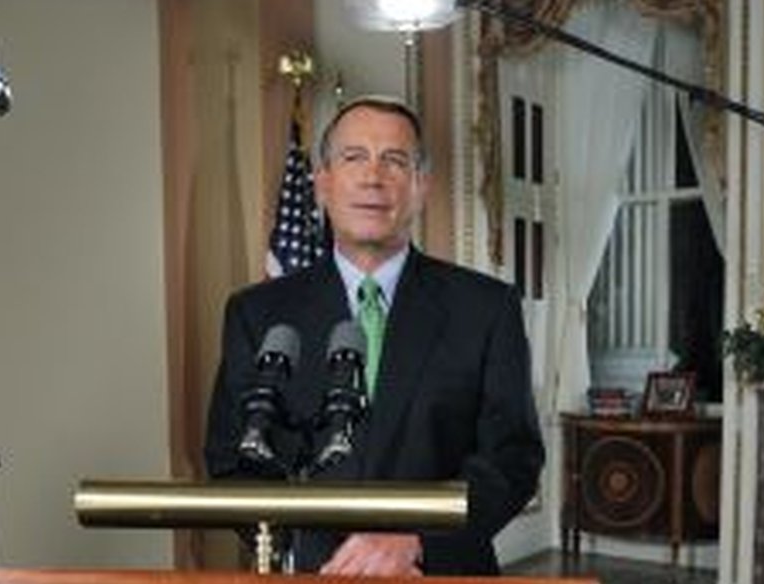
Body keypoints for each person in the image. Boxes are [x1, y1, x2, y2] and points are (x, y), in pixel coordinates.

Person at [204, 95, 544, 576]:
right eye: (353, 157)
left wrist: (417, 541)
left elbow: (513, 458)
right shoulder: (256, 314)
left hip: (442, 571)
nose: (373, 177)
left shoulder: (487, 308)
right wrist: (304, 551)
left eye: (395, 160)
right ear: (322, 183)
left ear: (421, 186)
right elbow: (231, 459)